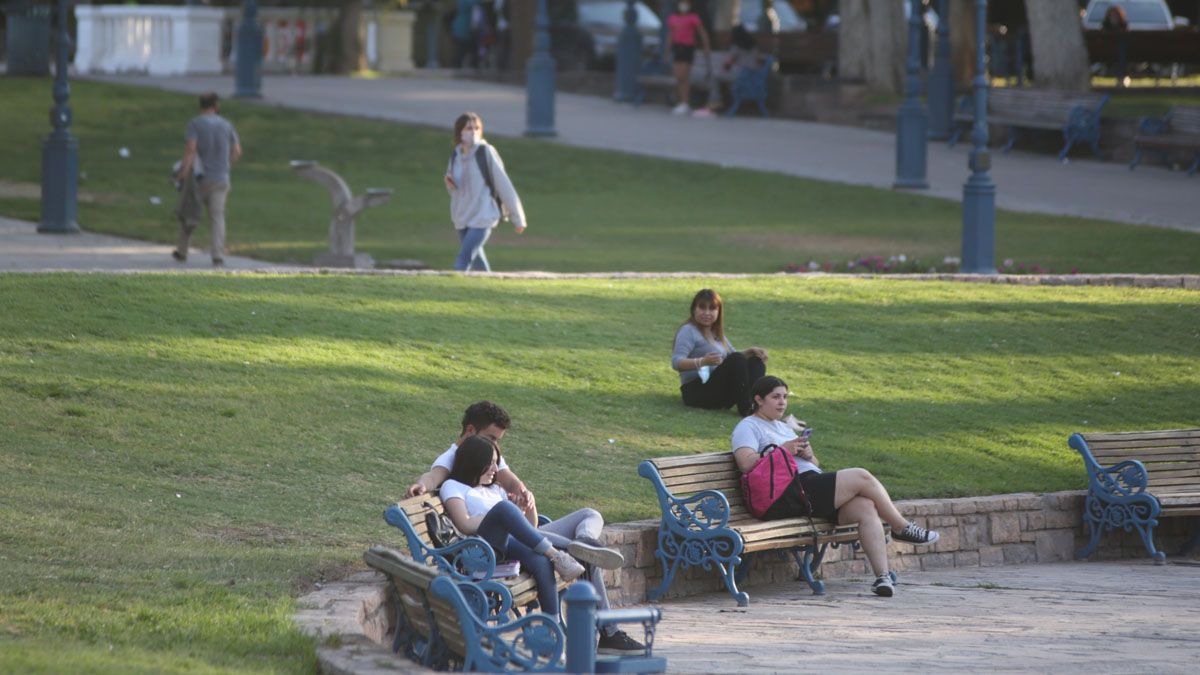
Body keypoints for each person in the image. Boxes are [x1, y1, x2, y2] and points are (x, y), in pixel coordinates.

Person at [406, 401, 646, 654]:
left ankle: (585, 542)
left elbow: (509, 481)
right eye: (490, 438)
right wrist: (422, 484)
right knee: (572, 553)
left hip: (525, 533)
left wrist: (524, 494)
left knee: (588, 517)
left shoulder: (489, 463)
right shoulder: (456, 459)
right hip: (499, 542)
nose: (496, 452)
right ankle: (608, 630)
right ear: (470, 431)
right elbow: (436, 476)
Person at [731, 376, 940, 597]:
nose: (782, 402)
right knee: (862, 476)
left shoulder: (781, 426)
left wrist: (809, 455)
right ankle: (902, 527)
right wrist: (784, 450)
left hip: (810, 489)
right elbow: (745, 464)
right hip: (789, 493)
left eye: (784, 397)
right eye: (775, 397)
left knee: (866, 507)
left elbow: (813, 465)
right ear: (758, 399)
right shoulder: (748, 426)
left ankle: (882, 577)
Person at [440, 435, 585, 615]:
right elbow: (465, 524)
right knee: (504, 508)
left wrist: (526, 507)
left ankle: (551, 627)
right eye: (490, 463)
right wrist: (500, 515)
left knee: (541, 561)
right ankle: (558, 555)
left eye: (496, 463)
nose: (495, 469)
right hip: (481, 551)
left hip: (507, 544)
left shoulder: (496, 489)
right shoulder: (453, 486)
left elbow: (531, 528)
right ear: (474, 462)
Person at [444, 112, 526, 272]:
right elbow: (453, 187)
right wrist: (449, 183)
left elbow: (504, 184)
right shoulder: (456, 154)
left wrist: (518, 218)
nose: (473, 132)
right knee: (478, 262)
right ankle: (491, 289)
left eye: (477, 128)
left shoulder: (485, 152)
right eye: (469, 128)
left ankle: (451, 288)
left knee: (463, 259)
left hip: (484, 215)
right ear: (460, 131)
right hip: (462, 215)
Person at [671, 288, 768, 417]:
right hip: (696, 392)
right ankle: (747, 409)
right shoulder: (688, 330)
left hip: (717, 390)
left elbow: (732, 357)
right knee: (737, 359)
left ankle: (757, 406)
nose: (707, 313)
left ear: (718, 312)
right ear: (694, 309)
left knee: (756, 362)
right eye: (702, 308)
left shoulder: (715, 332)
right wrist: (702, 361)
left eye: (712, 309)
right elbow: (676, 362)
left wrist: (750, 352)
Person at [172, 92, 242, 268]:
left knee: (190, 213)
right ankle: (217, 255)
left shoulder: (195, 124)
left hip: (200, 180)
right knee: (217, 217)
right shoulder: (227, 125)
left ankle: (182, 251)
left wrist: (182, 172)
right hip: (221, 178)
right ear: (216, 105)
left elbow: (190, 150)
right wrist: (227, 166)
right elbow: (237, 151)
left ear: (201, 105)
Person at [666, 1, 711, 115]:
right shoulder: (673, 18)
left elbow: (702, 32)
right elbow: (670, 35)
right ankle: (681, 102)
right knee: (678, 77)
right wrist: (667, 50)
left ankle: (685, 103)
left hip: (688, 48)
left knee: (684, 76)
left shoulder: (693, 17)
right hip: (677, 48)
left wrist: (706, 46)